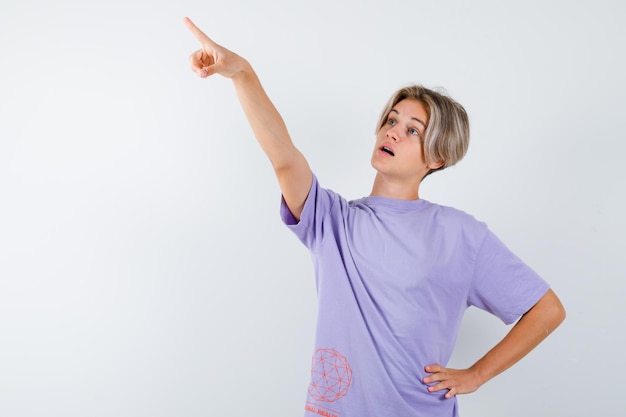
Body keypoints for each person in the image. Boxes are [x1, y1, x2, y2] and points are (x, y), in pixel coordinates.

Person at [183, 17, 566, 417]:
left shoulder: (461, 235)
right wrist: (242, 74)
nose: (393, 132)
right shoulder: (332, 222)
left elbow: (546, 309)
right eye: (392, 120)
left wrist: (477, 374)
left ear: (437, 158)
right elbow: (284, 159)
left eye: (413, 130)